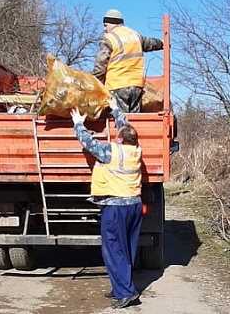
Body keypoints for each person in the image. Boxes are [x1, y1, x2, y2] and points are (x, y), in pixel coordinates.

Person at [70, 98, 142, 309]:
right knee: (127, 250)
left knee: (113, 250)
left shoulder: (111, 151)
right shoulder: (135, 150)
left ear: (119, 139)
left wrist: (78, 122)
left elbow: (88, 143)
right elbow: (126, 128)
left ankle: (126, 292)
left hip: (116, 207)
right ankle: (121, 287)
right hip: (134, 205)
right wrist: (116, 110)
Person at [92, 9, 163, 113]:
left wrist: (93, 84)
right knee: (134, 123)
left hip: (117, 86)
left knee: (120, 121)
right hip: (136, 87)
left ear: (112, 23)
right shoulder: (135, 35)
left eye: (105, 25)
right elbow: (149, 43)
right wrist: (162, 43)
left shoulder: (109, 38)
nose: (104, 29)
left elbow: (100, 65)